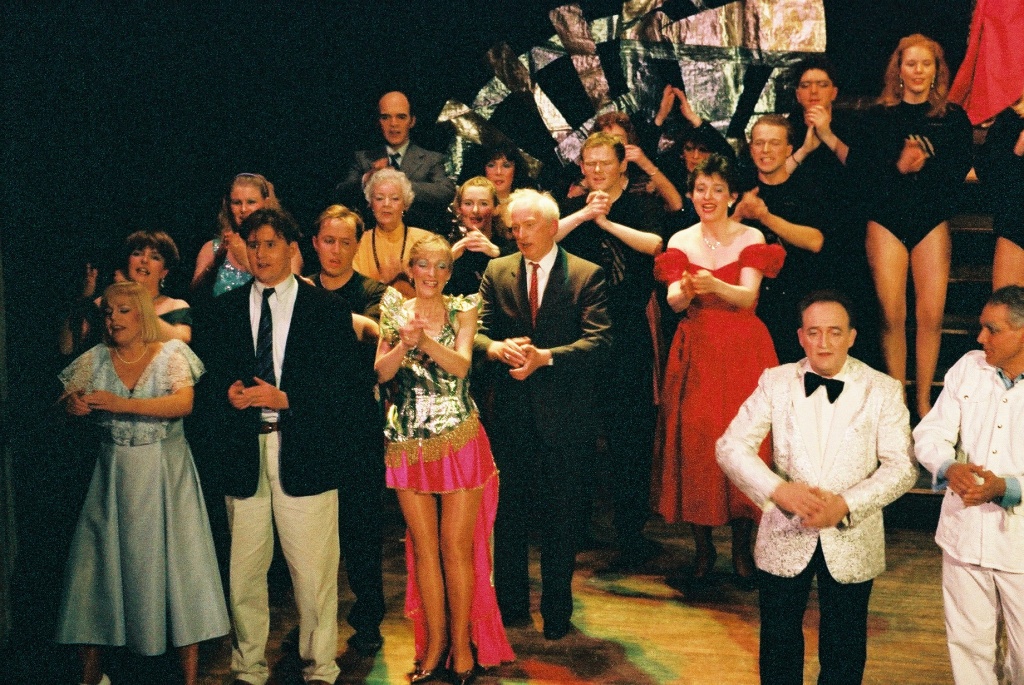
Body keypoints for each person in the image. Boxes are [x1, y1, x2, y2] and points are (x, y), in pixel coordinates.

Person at [199, 208, 381, 685]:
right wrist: (227, 393)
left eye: (270, 244)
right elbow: (208, 379)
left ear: (292, 248)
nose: (261, 254)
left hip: (305, 452)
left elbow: (349, 386)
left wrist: (288, 399)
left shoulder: (325, 309)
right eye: (253, 245)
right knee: (244, 573)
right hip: (245, 454)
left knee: (313, 572)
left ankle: (320, 665)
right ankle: (248, 666)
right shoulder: (225, 309)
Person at [717, 290, 917, 684]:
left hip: (851, 537)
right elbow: (730, 445)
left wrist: (846, 503)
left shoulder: (883, 389)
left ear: (852, 336)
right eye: (814, 332)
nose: (824, 343)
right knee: (778, 646)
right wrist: (778, 490)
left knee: (844, 650)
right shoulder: (775, 381)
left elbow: (902, 466)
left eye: (834, 332)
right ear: (800, 337)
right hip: (785, 532)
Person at [56, 281, 229, 685]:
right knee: (94, 570)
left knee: (181, 566)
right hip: (113, 480)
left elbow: (183, 402)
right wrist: (72, 404)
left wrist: (123, 404)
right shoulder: (97, 358)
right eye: (108, 312)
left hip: (165, 477)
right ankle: (91, 675)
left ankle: (188, 677)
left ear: (142, 314)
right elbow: (63, 397)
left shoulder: (171, 354)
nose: (113, 319)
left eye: (123, 311)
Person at [375, 234, 514, 684]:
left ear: (449, 272)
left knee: (456, 548)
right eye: (423, 265)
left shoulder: (462, 309)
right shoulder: (394, 310)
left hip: (458, 438)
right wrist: (403, 344)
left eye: (440, 266)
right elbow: (381, 371)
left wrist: (424, 341)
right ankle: (434, 647)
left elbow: (461, 366)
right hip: (407, 440)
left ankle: (462, 648)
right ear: (411, 268)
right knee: (424, 549)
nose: (431, 274)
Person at [475, 188, 611, 640]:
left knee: (562, 519)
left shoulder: (586, 274)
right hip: (510, 414)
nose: (519, 234)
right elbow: (476, 333)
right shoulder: (497, 271)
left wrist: (546, 357)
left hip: (566, 417)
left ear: (553, 227)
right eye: (514, 227)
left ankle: (557, 611)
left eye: (528, 225)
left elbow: (600, 342)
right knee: (508, 516)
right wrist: (496, 348)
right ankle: (511, 606)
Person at [653, 154, 785, 585]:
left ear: (732, 195)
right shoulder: (680, 239)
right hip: (698, 348)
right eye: (700, 189)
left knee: (747, 440)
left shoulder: (751, 236)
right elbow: (674, 301)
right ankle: (703, 548)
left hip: (744, 347)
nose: (707, 197)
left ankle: (743, 548)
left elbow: (747, 297)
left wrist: (714, 285)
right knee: (698, 443)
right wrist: (688, 291)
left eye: (717, 189)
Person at [558, 131, 664, 568]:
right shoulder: (573, 206)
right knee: (578, 433)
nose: (597, 170)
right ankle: (576, 527)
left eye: (605, 162)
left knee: (630, 436)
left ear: (623, 165)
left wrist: (606, 223)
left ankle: (630, 533)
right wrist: (585, 215)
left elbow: (655, 245)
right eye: (590, 163)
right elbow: (544, 238)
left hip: (628, 329)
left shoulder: (640, 203)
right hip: (581, 330)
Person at [855, 34, 973, 419]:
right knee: (892, 315)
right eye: (911, 64)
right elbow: (862, 175)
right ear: (899, 70)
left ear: (937, 70)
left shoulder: (953, 118)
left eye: (926, 64)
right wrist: (899, 168)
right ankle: (897, 402)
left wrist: (926, 167)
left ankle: (922, 400)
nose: (918, 71)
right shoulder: (877, 117)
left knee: (930, 317)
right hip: (887, 220)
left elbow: (957, 173)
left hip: (930, 219)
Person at [914, 285, 1024, 684]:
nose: (981, 337)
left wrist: (1007, 487)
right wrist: (948, 467)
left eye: (992, 329)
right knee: (968, 650)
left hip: (1019, 545)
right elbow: (930, 433)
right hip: (963, 535)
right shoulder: (968, 368)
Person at [732, 115, 827, 363]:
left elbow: (815, 240)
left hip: (796, 302)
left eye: (774, 143)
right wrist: (738, 215)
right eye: (759, 143)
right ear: (750, 148)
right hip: (749, 305)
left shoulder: (806, 187)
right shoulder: (739, 189)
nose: (765, 150)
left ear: (788, 150)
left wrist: (764, 217)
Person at [61, 230, 194, 358]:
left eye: (155, 257)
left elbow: (181, 341)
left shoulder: (174, 305)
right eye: (137, 253)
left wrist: (133, 297)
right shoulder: (104, 302)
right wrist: (83, 300)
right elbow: (67, 347)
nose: (144, 260)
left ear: (164, 272)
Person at [336, 90, 455, 231]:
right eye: (385, 117)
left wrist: (398, 184)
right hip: (372, 237)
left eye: (401, 117)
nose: (393, 123)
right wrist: (367, 179)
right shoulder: (363, 158)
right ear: (378, 122)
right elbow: (342, 193)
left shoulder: (432, 159)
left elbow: (446, 192)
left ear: (412, 121)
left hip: (419, 238)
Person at [192, 173, 301, 298]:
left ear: (266, 203)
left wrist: (245, 257)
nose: (243, 209)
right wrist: (215, 264)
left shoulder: (285, 247)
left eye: (251, 202)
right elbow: (195, 296)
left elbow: (288, 293)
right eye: (237, 203)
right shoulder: (212, 248)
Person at [351, 168, 434, 299]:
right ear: (371, 204)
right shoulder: (358, 243)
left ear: (405, 204)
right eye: (379, 198)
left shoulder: (426, 240)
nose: (386, 204)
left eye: (395, 199)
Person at [976, 91, 1024, 289]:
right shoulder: (1011, 118)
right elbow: (987, 173)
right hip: (1016, 227)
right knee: (1006, 305)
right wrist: (1017, 151)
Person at [593, 110, 683, 212]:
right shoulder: (591, 178)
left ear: (628, 142)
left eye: (619, 139)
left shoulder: (640, 179)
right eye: (607, 139)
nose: (613, 145)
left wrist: (645, 163)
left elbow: (676, 205)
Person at [310, 204, 387, 321]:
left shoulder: (376, 293)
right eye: (329, 241)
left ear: (357, 246)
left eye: (345, 243)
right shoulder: (301, 288)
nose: (336, 250)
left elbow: (371, 329)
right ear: (316, 243)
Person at [446, 176, 513, 296]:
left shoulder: (511, 247)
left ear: (496, 209)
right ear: (459, 208)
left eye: (483, 204)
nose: (475, 210)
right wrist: (447, 261)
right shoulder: (448, 247)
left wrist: (498, 253)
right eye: (468, 203)